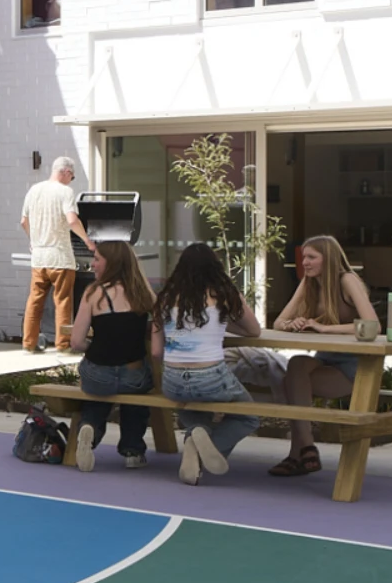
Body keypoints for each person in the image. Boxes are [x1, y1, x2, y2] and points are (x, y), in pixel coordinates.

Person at [267, 235, 377, 478]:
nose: (304, 262)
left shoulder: (347, 280)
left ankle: (298, 453)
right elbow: (278, 322)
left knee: (290, 384)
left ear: (328, 259)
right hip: (325, 360)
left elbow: (372, 325)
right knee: (296, 365)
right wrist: (292, 324)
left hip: (353, 367)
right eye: (303, 257)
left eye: (311, 257)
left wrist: (325, 328)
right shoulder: (309, 283)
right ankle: (307, 447)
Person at [154, 241, 263, 486]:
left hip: (172, 380)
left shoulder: (166, 298)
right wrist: (221, 322)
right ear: (215, 267)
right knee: (248, 417)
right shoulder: (223, 294)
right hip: (210, 377)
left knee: (196, 418)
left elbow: (156, 351)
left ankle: (195, 444)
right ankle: (205, 449)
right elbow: (254, 330)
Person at [66, 240, 157, 470]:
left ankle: (89, 429)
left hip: (98, 373)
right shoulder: (143, 293)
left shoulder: (93, 293)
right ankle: (132, 451)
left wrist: (95, 346)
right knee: (137, 401)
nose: (92, 264)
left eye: (97, 259)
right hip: (133, 374)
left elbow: (76, 342)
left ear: (112, 263)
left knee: (97, 397)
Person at [16, 156, 92, 353]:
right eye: (72, 177)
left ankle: (29, 344)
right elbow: (72, 220)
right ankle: (63, 345)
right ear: (66, 172)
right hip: (60, 257)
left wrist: (33, 240)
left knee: (35, 301)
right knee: (63, 301)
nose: (71, 181)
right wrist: (87, 241)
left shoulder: (34, 190)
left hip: (39, 258)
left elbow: (24, 221)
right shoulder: (65, 192)